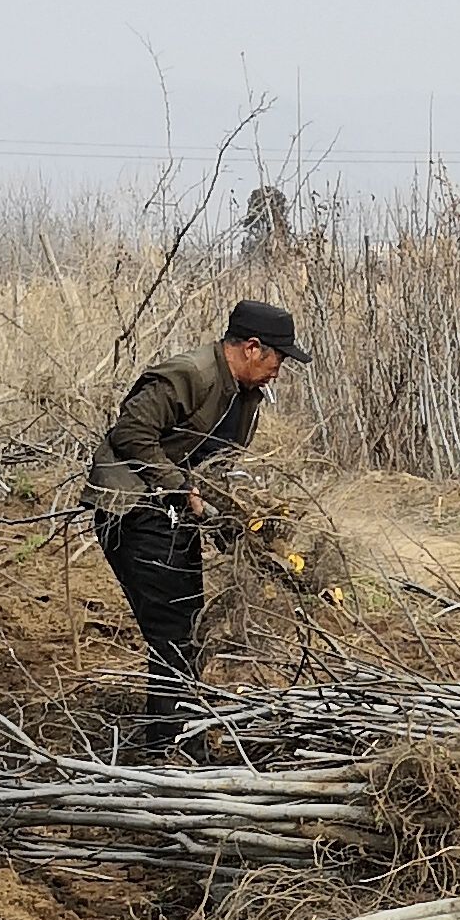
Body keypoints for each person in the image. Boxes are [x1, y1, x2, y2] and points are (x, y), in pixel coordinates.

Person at [86, 297, 308, 750]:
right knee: (173, 627)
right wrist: (178, 483)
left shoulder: (245, 398)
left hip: (174, 511)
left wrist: (244, 530)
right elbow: (129, 434)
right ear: (251, 347)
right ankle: (169, 746)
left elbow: (215, 471)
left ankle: (177, 731)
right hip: (133, 508)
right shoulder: (189, 374)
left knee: (188, 619)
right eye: (278, 359)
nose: (279, 371)